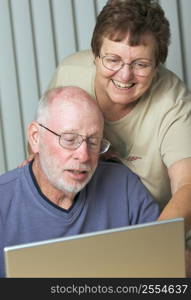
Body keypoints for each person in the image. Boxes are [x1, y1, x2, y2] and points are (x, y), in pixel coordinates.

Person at [46, 0, 191, 235]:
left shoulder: (174, 102)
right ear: (95, 56)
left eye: (141, 64)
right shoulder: (69, 75)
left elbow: (187, 185)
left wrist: (159, 245)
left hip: (156, 226)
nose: (125, 74)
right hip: (84, 226)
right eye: (112, 60)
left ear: (157, 67)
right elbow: (44, 145)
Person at [0, 86, 160, 278]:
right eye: (69, 139)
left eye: (93, 142)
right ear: (36, 138)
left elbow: (167, 265)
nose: (84, 156)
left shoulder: (124, 185)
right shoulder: (4, 201)